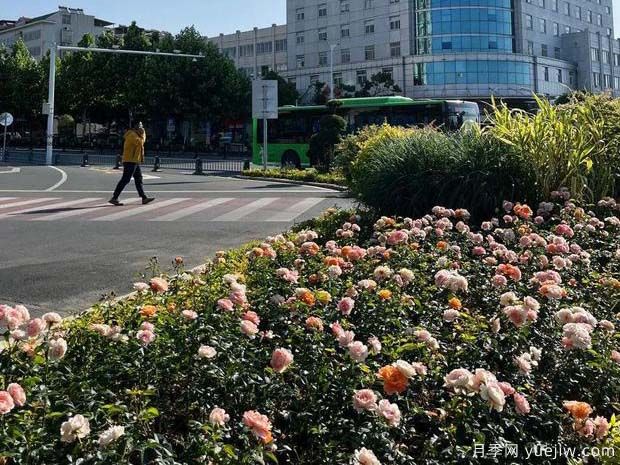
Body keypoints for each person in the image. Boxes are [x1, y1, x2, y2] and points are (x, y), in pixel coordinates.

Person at [109, 122, 154, 206]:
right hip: (130, 160)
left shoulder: (136, 134)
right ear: (136, 127)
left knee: (138, 179)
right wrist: (144, 133)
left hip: (134, 160)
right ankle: (114, 197)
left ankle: (144, 197)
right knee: (126, 179)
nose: (142, 127)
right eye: (140, 126)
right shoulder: (132, 135)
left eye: (142, 126)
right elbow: (140, 143)